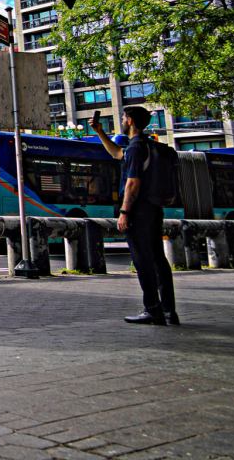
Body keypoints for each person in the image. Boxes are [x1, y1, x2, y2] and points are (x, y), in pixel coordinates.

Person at [91, 106, 178, 326]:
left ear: (129, 120)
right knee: (158, 259)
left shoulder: (137, 148)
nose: (121, 120)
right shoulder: (144, 146)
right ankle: (169, 311)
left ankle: (152, 310)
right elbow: (117, 154)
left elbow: (132, 183)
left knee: (142, 260)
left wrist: (124, 212)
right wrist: (100, 132)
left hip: (138, 211)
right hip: (154, 208)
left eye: (122, 117)